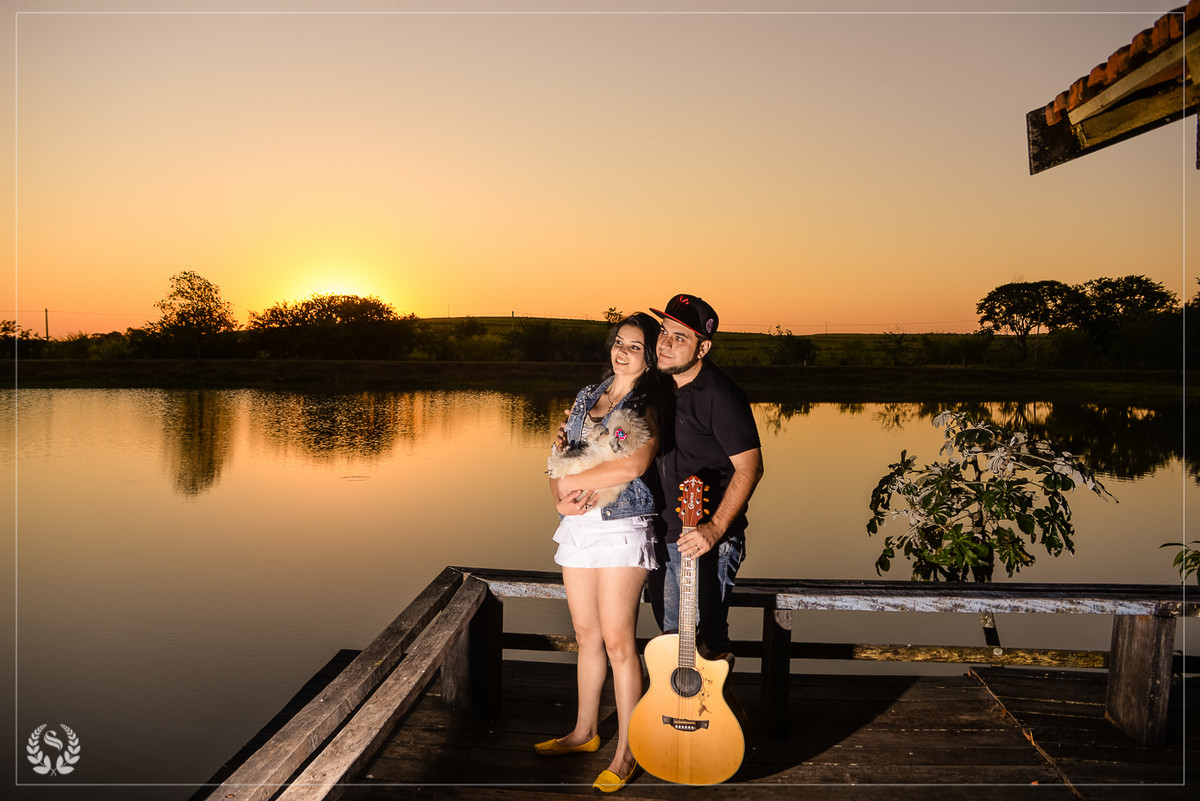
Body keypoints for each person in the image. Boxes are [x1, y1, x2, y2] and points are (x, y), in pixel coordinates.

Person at [535, 312, 669, 794]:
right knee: (585, 635)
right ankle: (584, 732)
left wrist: (575, 482)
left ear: (649, 356)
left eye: (635, 347)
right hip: (578, 525)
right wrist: (558, 494)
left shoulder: (647, 399)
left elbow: (635, 463)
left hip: (622, 525)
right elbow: (559, 451)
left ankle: (627, 753)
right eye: (619, 342)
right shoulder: (588, 396)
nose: (623, 351)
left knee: (618, 641)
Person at [650, 293, 763, 656]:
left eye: (680, 337)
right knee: (672, 644)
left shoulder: (721, 395)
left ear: (703, 348)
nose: (665, 343)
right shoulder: (658, 384)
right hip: (663, 536)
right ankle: (680, 712)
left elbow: (751, 467)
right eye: (664, 332)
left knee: (704, 646)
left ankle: (714, 713)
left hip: (705, 540)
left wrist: (714, 530)